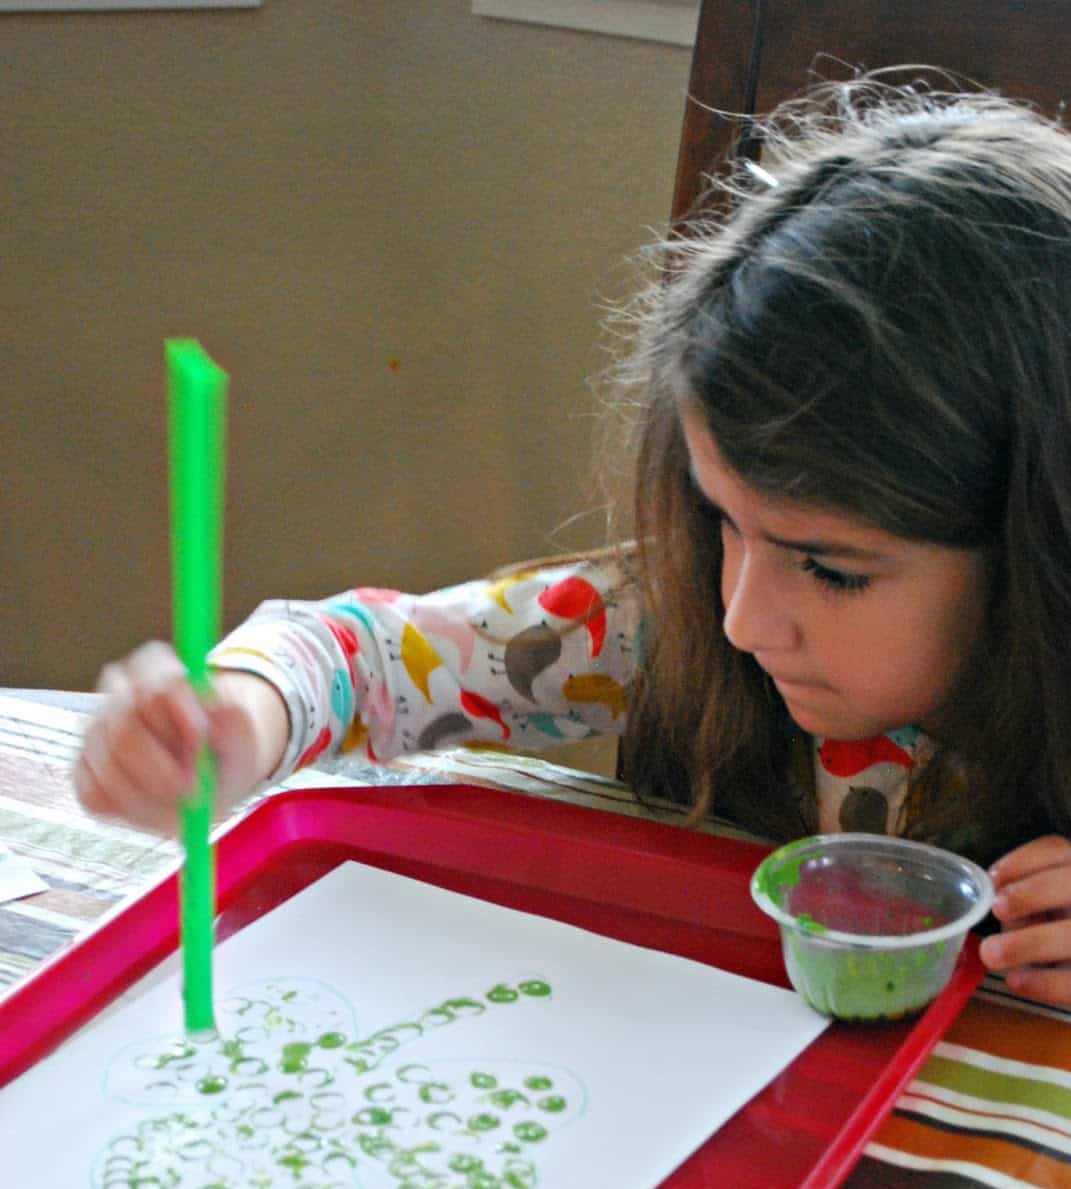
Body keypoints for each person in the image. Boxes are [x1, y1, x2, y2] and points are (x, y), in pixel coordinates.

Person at [76, 76, 1071, 1005]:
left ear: (1036, 549)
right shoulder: (670, 615)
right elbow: (362, 655)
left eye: (828, 567)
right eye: (722, 519)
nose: (740, 615)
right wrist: (240, 719)